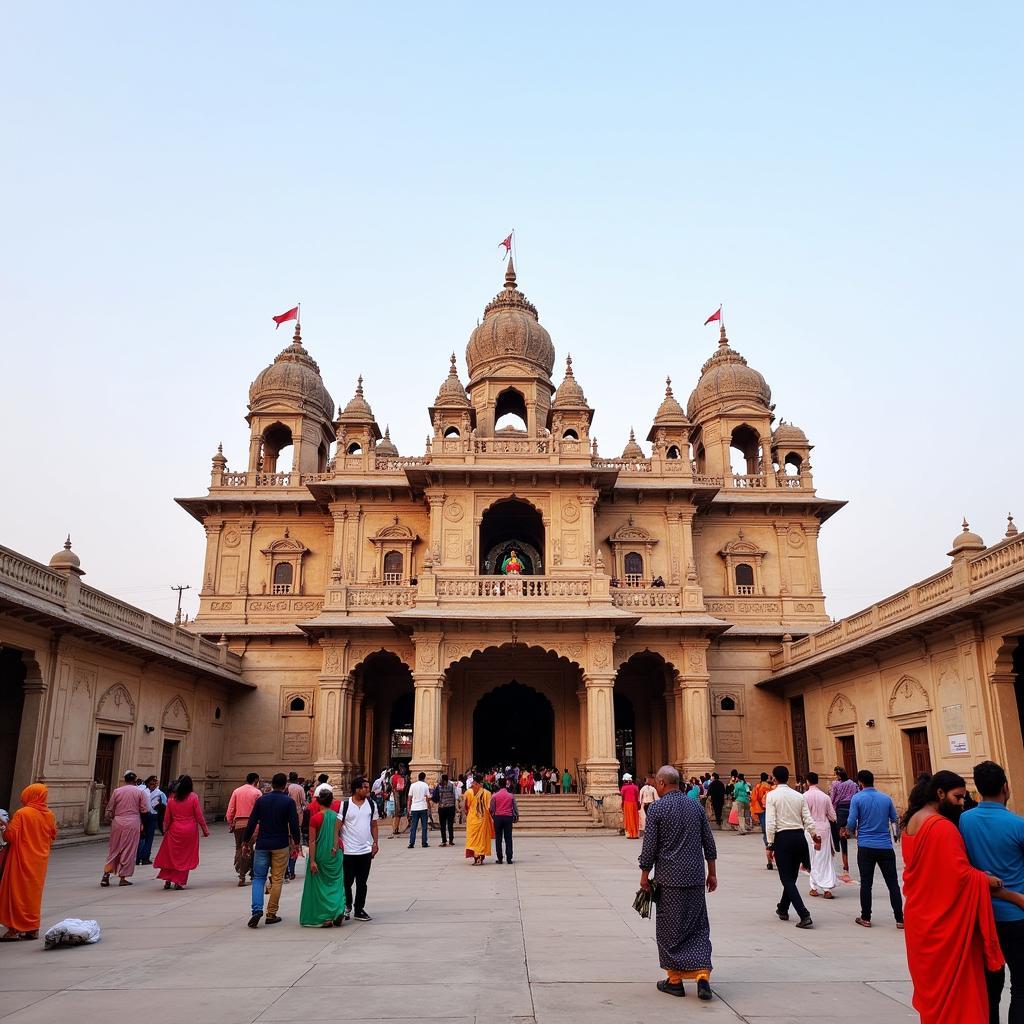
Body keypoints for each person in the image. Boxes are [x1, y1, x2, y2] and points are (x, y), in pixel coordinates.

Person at [902, 769, 1005, 1024]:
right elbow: (960, 876)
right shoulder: (942, 828)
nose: (961, 803)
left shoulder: (912, 822)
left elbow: (936, 872)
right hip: (944, 925)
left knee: (935, 996)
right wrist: (986, 879)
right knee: (958, 994)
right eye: (958, 797)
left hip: (920, 920)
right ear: (940, 793)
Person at [638, 765, 717, 1001]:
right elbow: (708, 842)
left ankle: (675, 981)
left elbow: (649, 847)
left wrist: (644, 875)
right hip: (694, 876)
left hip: (669, 878)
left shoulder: (658, 808)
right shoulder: (695, 805)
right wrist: (712, 873)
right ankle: (702, 975)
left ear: (662, 783)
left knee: (670, 929)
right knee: (697, 925)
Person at [959, 760, 1024, 1024]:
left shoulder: (964, 821)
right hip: (1016, 916)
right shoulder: (1017, 824)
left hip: (982, 915)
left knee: (990, 987)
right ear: (1005, 788)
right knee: (1021, 986)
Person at [841, 769, 903, 928]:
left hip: (866, 846)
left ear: (860, 783)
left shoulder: (857, 798)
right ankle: (899, 919)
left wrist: (848, 832)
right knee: (893, 883)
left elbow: (851, 821)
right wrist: (896, 837)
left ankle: (866, 917)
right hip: (885, 846)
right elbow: (895, 820)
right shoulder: (886, 798)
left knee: (866, 883)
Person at [242, 772, 302, 928]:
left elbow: (252, 822)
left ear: (272, 784)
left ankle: (256, 910)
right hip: (280, 845)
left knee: (258, 878)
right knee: (276, 879)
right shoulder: (288, 802)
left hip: (262, 844)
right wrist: (297, 842)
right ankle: (271, 913)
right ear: (285, 785)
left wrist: (245, 841)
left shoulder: (262, 800)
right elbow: (294, 824)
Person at [765, 764, 821, 929]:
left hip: (783, 838)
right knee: (792, 877)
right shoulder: (799, 796)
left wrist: (770, 843)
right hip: (799, 837)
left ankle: (804, 914)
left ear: (774, 778)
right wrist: (814, 834)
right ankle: (783, 908)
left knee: (786, 879)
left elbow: (771, 822)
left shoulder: (772, 796)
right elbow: (807, 818)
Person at [0, 785, 57, 941]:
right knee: (32, 895)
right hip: (39, 861)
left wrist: (4, 826)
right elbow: (53, 834)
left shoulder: (22, 813)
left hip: (21, 859)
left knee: (16, 893)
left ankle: (14, 929)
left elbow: (9, 837)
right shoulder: (49, 814)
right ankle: (32, 928)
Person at [153, 774, 209, 890]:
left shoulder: (171, 799)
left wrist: (165, 830)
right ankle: (179, 881)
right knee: (185, 857)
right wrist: (205, 829)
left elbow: (167, 818)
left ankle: (167, 879)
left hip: (174, 830)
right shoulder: (193, 797)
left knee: (170, 855)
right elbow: (198, 815)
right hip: (189, 830)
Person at [299, 790, 345, 927]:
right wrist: (336, 849)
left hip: (321, 855)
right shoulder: (337, 817)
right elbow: (338, 835)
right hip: (335, 854)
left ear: (318, 801)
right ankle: (338, 910)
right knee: (336, 884)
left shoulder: (316, 818)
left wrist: (312, 860)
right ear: (331, 801)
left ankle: (326, 917)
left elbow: (312, 841)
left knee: (321, 887)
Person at [340, 776, 379, 921]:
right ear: (357, 789)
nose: (368, 790)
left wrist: (375, 843)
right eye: (365, 787)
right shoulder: (345, 806)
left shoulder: (371, 804)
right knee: (347, 881)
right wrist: (335, 845)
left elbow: (374, 825)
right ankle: (347, 905)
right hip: (348, 851)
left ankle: (359, 909)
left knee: (362, 882)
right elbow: (337, 826)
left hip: (365, 850)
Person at [101, 771, 149, 887]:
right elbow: (144, 809)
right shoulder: (139, 792)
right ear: (135, 780)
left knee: (114, 849)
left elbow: (110, 808)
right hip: (132, 822)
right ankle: (123, 877)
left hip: (118, 822)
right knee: (129, 850)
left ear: (125, 780)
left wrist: (112, 817)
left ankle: (106, 874)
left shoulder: (117, 791)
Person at [802, 771, 837, 899]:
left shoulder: (804, 796)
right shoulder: (825, 797)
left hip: (810, 830)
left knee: (812, 859)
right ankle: (827, 888)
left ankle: (814, 887)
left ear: (807, 782)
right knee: (825, 859)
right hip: (824, 830)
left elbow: (803, 816)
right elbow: (833, 817)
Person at [226, 772, 262, 885]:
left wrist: (230, 822)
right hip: (253, 825)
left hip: (239, 824)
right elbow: (261, 810)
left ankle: (241, 875)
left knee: (240, 848)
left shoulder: (237, 791)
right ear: (256, 780)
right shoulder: (257, 792)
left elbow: (231, 809)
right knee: (252, 849)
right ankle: (252, 873)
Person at [829, 767, 858, 878]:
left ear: (838, 775)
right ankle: (846, 866)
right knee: (850, 835)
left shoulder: (836, 784)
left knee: (841, 839)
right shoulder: (853, 784)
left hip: (840, 811)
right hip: (851, 810)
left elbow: (833, 798)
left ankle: (845, 866)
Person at [464, 774, 493, 865]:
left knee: (473, 839)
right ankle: (480, 857)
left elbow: (466, 806)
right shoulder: (487, 793)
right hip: (483, 818)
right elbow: (489, 808)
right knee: (481, 839)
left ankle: (476, 858)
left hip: (472, 818)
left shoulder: (469, 792)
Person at [136, 776, 165, 866]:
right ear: (147, 783)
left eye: (155, 784)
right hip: (143, 816)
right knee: (142, 837)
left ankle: (144, 857)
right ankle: (139, 857)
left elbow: (165, 805)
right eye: (151, 783)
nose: (153, 785)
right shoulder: (143, 791)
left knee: (148, 838)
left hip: (152, 816)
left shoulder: (160, 793)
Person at [285, 772, 308, 881]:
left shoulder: (286, 787)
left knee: (285, 845)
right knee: (294, 845)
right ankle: (292, 870)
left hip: (284, 820)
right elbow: (304, 802)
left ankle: (286, 871)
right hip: (297, 818)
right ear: (297, 778)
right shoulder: (299, 788)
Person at [492, 777, 518, 864]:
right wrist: (516, 816)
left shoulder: (494, 796)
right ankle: (509, 858)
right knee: (508, 838)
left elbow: (491, 808)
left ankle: (500, 858)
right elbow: (515, 807)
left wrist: (494, 816)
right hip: (508, 818)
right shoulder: (510, 796)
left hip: (498, 818)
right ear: (506, 784)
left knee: (498, 838)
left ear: (499, 785)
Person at [407, 771, 431, 849]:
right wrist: (429, 808)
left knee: (413, 826)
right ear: (424, 778)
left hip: (414, 808)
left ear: (418, 777)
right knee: (424, 826)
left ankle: (411, 842)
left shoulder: (413, 785)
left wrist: (408, 808)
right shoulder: (425, 785)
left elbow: (409, 798)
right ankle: (424, 842)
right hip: (423, 807)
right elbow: (428, 798)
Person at [433, 773, 457, 848]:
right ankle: (450, 840)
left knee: (444, 825)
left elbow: (435, 797)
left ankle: (445, 841)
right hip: (450, 807)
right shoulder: (452, 785)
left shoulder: (439, 786)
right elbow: (455, 796)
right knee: (449, 825)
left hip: (443, 808)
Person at [621, 773, 640, 839]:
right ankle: (635, 834)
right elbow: (637, 795)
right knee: (635, 818)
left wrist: (622, 805)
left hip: (627, 804)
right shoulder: (635, 787)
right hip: (634, 803)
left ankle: (629, 833)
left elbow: (622, 796)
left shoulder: (624, 788)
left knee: (628, 818)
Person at [390, 764, 408, 835]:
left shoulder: (392, 777)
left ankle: (395, 828)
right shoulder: (400, 777)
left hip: (394, 794)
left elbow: (391, 786)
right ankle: (395, 829)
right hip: (398, 796)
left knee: (396, 813)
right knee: (397, 813)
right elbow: (401, 788)